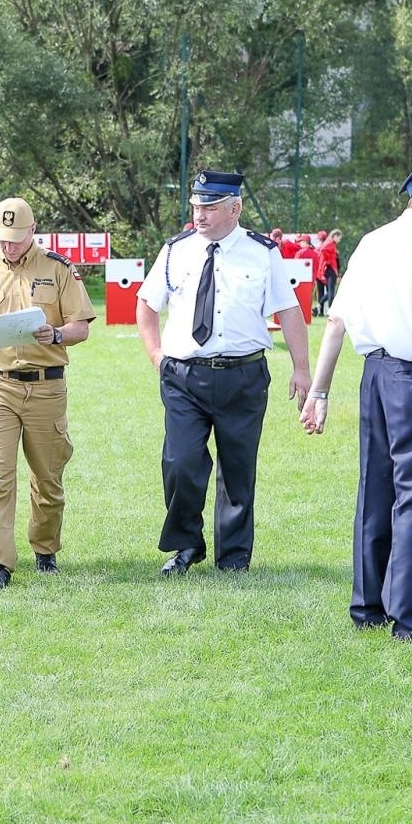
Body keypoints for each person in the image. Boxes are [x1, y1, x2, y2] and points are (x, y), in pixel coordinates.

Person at [300, 149, 412, 641]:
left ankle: (368, 606)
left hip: (374, 377)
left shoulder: (373, 241)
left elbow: (336, 322)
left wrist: (320, 390)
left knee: (375, 492)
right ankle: (411, 619)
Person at [136, 170, 312, 576]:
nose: (200, 214)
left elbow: (288, 311)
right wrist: (156, 356)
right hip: (183, 377)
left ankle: (233, 557)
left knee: (237, 467)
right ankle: (186, 546)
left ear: (235, 208)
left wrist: (302, 369)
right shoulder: (175, 250)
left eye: (210, 207)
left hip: (243, 376)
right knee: (180, 463)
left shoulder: (262, 252)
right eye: (196, 206)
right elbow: (146, 305)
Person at [0, 196, 96, 591]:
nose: (8, 246)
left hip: (47, 386)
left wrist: (55, 333)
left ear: (32, 231)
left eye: (15, 239)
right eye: (2, 239)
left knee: (47, 478)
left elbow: (80, 327)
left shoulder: (58, 268)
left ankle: (45, 549)